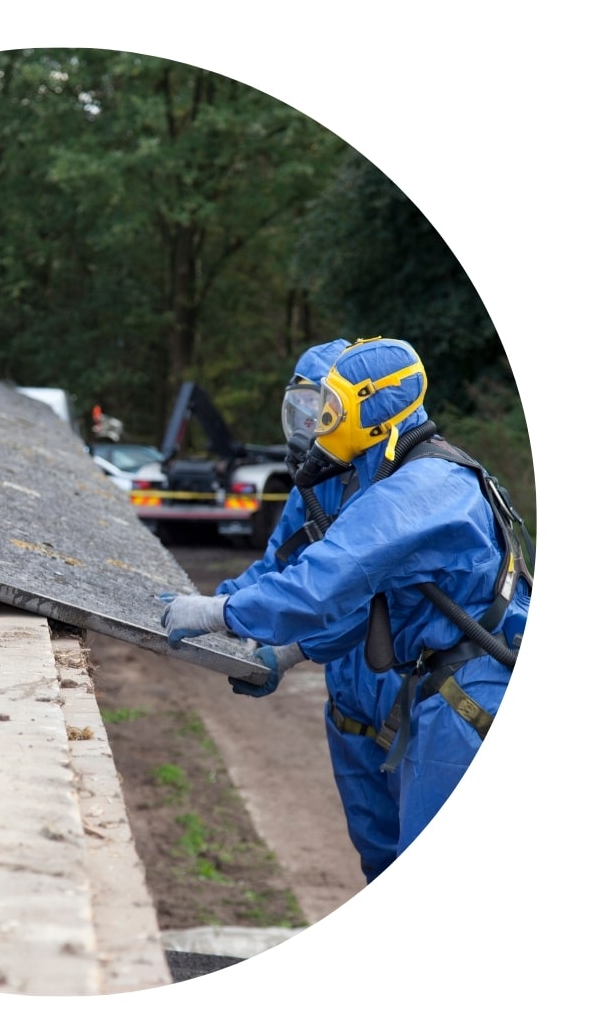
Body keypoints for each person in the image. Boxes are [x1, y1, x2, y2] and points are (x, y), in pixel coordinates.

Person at [160, 337, 531, 861]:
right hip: (440, 687)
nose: (318, 427)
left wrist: (220, 614)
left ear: (369, 411)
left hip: (465, 696)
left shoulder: (418, 488)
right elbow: (285, 567)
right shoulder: (398, 473)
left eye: (331, 411)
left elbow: (325, 584)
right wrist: (224, 607)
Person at [214, 337, 404, 881]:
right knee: (376, 857)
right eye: (299, 409)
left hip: (413, 697)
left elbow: (366, 598)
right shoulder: (314, 485)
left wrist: (290, 650)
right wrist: (221, 604)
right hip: (351, 705)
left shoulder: (401, 488)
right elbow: (280, 566)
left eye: (319, 411)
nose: (306, 427)